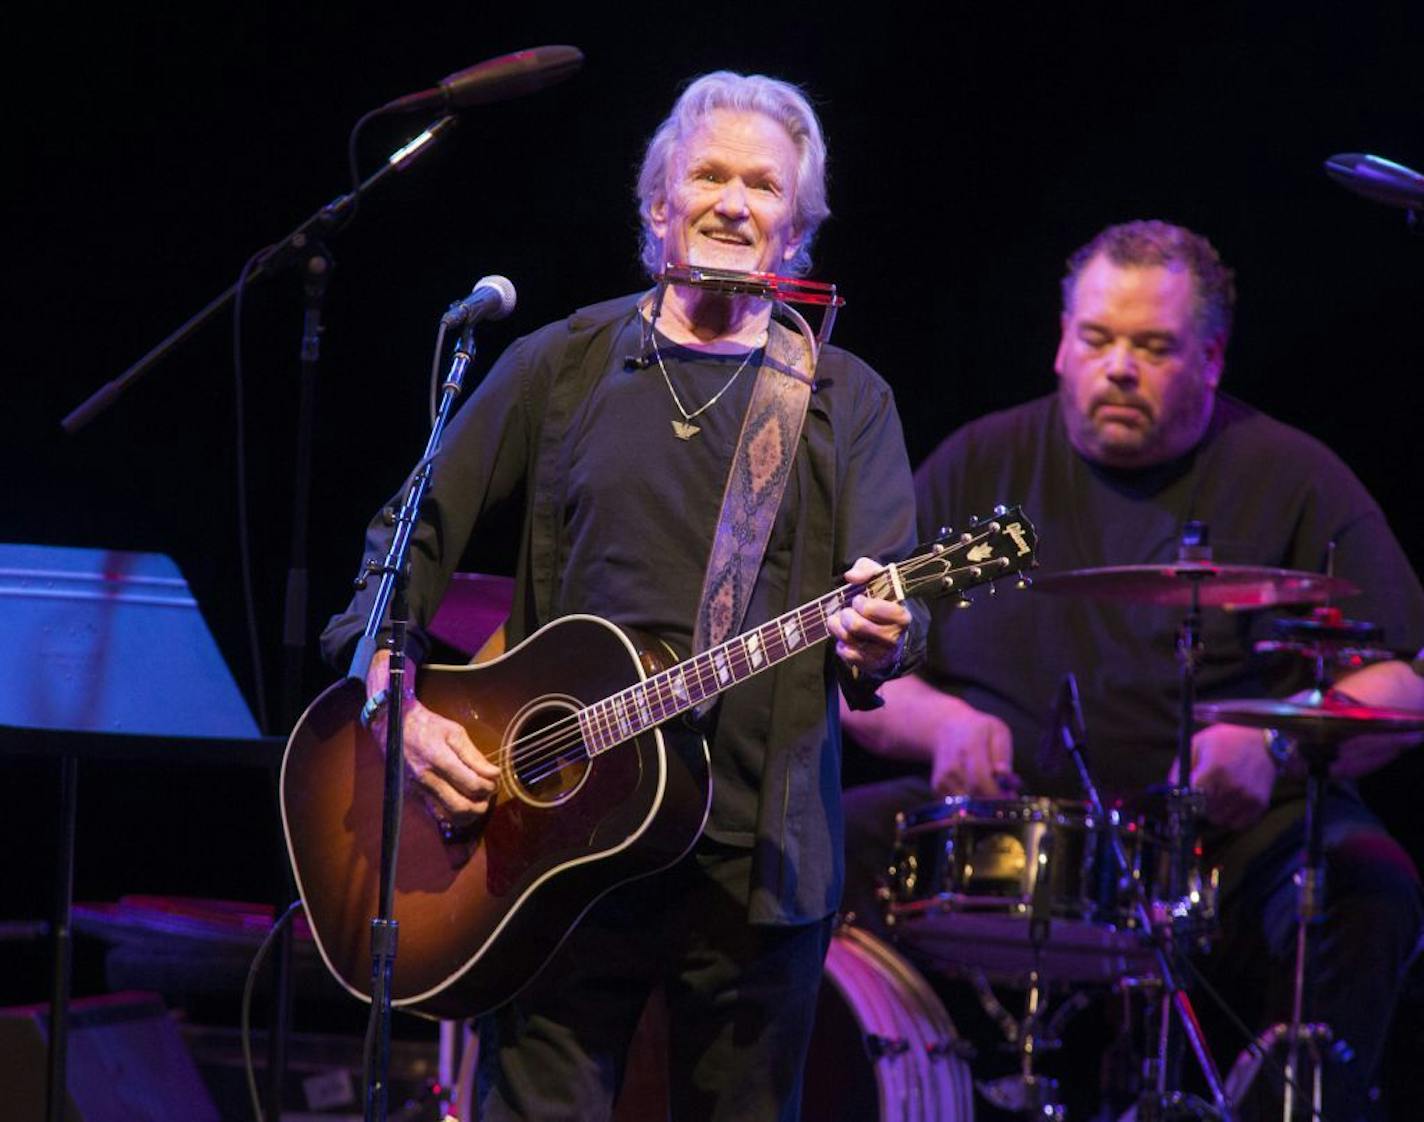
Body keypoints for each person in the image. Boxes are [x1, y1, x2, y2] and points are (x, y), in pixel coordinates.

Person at [320, 71, 924, 1122]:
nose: (734, 201)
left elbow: (889, 611)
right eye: (709, 174)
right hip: (551, 840)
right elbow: (403, 541)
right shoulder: (561, 363)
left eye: (764, 186)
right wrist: (394, 701)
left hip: (753, 864)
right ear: (658, 207)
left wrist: (883, 630)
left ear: (796, 228)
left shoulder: (841, 398)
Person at [841, 220, 1424, 1121]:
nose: (1119, 366)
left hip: (1227, 845)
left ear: (1213, 358)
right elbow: (859, 667)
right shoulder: (980, 463)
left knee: (1369, 882)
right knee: (803, 853)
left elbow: (1407, 682)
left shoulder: (1293, 476)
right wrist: (940, 725)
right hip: (1009, 832)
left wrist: (1274, 744)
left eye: (1153, 347)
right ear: (1060, 342)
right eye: (1097, 339)